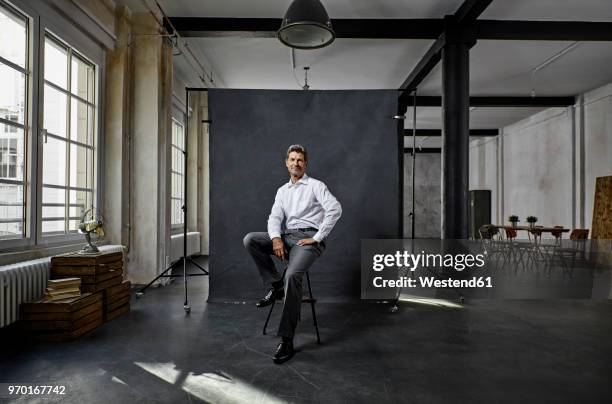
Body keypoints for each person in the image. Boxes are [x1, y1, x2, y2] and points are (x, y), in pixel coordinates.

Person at [243, 144, 342, 364]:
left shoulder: (316, 186)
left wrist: (318, 237)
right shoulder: (282, 191)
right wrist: (276, 238)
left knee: (292, 276)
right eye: (292, 159)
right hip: (287, 237)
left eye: (300, 160)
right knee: (251, 239)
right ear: (286, 163)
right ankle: (275, 284)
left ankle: (287, 339)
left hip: (308, 240)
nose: (296, 163)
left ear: (305, 164)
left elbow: (335, 208)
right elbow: (274, 218)